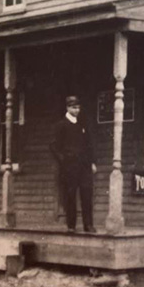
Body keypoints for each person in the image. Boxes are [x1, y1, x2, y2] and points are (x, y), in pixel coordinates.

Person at [50, 95, 97, 233]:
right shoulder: (61, 125)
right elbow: (53, 146)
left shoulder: (82, 124)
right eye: (74, 107)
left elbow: (89, 144)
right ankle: (71, 225)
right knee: (70, 195)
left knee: (87, 194)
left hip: (84, 165)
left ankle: (88, 225)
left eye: (78, 107)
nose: (77, 110)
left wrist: (93, 162)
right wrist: (64, 160)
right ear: (68, 107)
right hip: (70, 166)